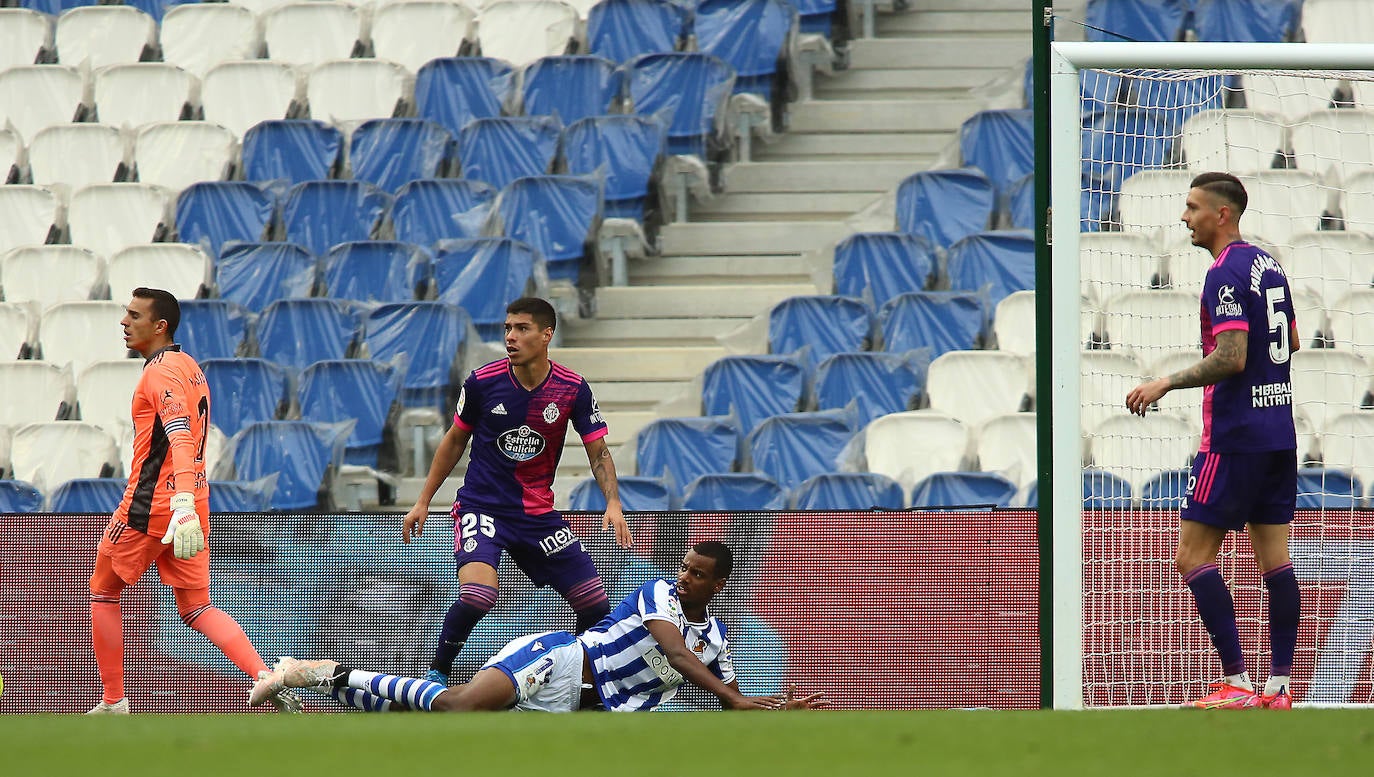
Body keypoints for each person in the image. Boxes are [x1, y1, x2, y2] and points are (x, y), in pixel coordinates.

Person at [250, 542, 827, 713]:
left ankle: (345, 693)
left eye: (698, 575)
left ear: (719, 585)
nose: (685, 578)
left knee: (444, 731)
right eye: (684, 567)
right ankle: (323, 671)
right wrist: (737, 697)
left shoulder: (717, 642)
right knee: (456, 707)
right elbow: (678, 660)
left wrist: (769, 707)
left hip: (579, 710)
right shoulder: (661, 597)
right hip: (563, 661)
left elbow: (728, 700)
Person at [1126, 172, 1302, 710]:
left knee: (1192, 555)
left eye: (1192, 207)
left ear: (1221, 214)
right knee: (1276, 560)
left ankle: (1236, 681)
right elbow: (1291, 340)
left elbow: (1232, 357)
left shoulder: (1223, 273)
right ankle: (1278, 686)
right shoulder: (1268, 264)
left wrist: (1165, 381)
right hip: (1279, 433)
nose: (1185, 217)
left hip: (1235, 436)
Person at [87, 288, 299, 714]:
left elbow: (180, 436)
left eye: (134, 315)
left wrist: (179, 503)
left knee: (104, 591)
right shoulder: (189, 367)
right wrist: (189, 504)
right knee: (197, 606)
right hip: (193, 502)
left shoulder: (159, 374)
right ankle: (265, 675)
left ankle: (114, 702)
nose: (125, 322)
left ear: (160, 325)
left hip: (155, 505)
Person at [402, 297, 632, 687]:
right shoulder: (482, 381)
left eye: (522, 328)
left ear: (546, 335)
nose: (511, 336)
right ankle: (437, 674)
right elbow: (455, 439)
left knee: (594, 602)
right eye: (508, 328)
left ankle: (575, 681)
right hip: (482, 507)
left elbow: (599, 451)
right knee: (478, 596)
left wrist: (613, 502)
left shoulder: (572, 388)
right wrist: (423, 500)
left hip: (537, 515)